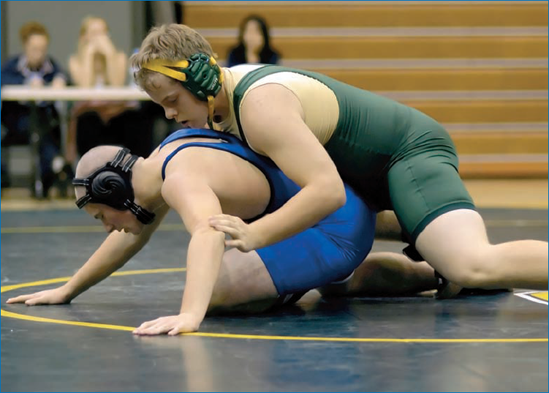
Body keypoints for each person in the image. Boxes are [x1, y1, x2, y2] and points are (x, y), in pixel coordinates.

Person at [129, 24, 548, 295]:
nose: (169, 114)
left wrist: (256, 236)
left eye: (172, 100)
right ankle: (439, 267)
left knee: (473, 263)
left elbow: (326, 192)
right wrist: (69, 290)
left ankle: (452, 258)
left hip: (408, 155)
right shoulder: (220, 114)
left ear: (200, 76)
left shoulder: (259, 107)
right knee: (341, 278)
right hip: (364, 179)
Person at [5, 128, 438, 335]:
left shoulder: (179, 179)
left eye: (103, 216)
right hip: (338, 207)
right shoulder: (163, 156)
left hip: (332, 226)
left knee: (216, 288)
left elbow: (207, 234)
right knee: (332, 288)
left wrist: (191, 315)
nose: (109, 227)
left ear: (116, 191)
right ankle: (434, 272)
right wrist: (69, 289)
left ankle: (310, 279)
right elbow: (131, 233)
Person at [66, 16, 153, 163]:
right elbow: (85, 88)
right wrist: (88, 54)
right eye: (94, 33)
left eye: (103, 33)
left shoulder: (118, 57)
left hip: (116, 111)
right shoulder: (75, 61)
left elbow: (116, 85)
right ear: (84, 36)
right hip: (90, 113)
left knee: (137, 120)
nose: (100, 38)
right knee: (87, 122)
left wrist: (109, 54)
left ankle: (140, 168)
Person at [1, 21, 68, 197]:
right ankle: (57, 164)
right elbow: (3, 80)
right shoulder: (12, 66)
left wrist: (59, 80)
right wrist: (26, 84)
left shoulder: (50, 66)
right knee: (38, 127)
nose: (38, 54)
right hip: (17, 122)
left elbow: (64, 76)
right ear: (25, 46)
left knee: (44, 128)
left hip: (43, 121)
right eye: (34, 49)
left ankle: (49, 175)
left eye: (42, 49)